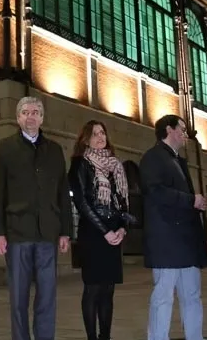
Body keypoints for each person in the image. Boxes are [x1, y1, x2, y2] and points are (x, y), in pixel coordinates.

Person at [0, 96, 72, 340]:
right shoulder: (3, 148)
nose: (31, 116)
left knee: (47, 296)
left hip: (48, 234)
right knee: (18, 298)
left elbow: (62, 193)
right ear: (18, 118)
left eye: (36, 112)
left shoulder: (55, 150)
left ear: (42, 118)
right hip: (17, 234)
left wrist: (66, 230)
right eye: (25, 112)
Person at [140, 114, 207, 340]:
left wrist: (195, 203)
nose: (186, 134)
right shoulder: (153, 157)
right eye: (182, 128)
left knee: (192, 295)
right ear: (169, 130)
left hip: (186, 242)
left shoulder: (177, 159)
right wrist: (190, 200)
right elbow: (155, 191)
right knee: (163, 296)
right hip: (166, 241)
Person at [68, 120, 132, 340]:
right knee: (93, 289)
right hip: (94, 233)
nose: (100, 137)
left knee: (108, 290)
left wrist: (122, 228)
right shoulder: (80, 163)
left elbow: (122, 202)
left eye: (102, 133)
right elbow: (82, 202)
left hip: (114, 233)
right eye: (94, 134)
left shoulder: (115, 166)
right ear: (85, 138)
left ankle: (105, 336)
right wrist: (105, 231)